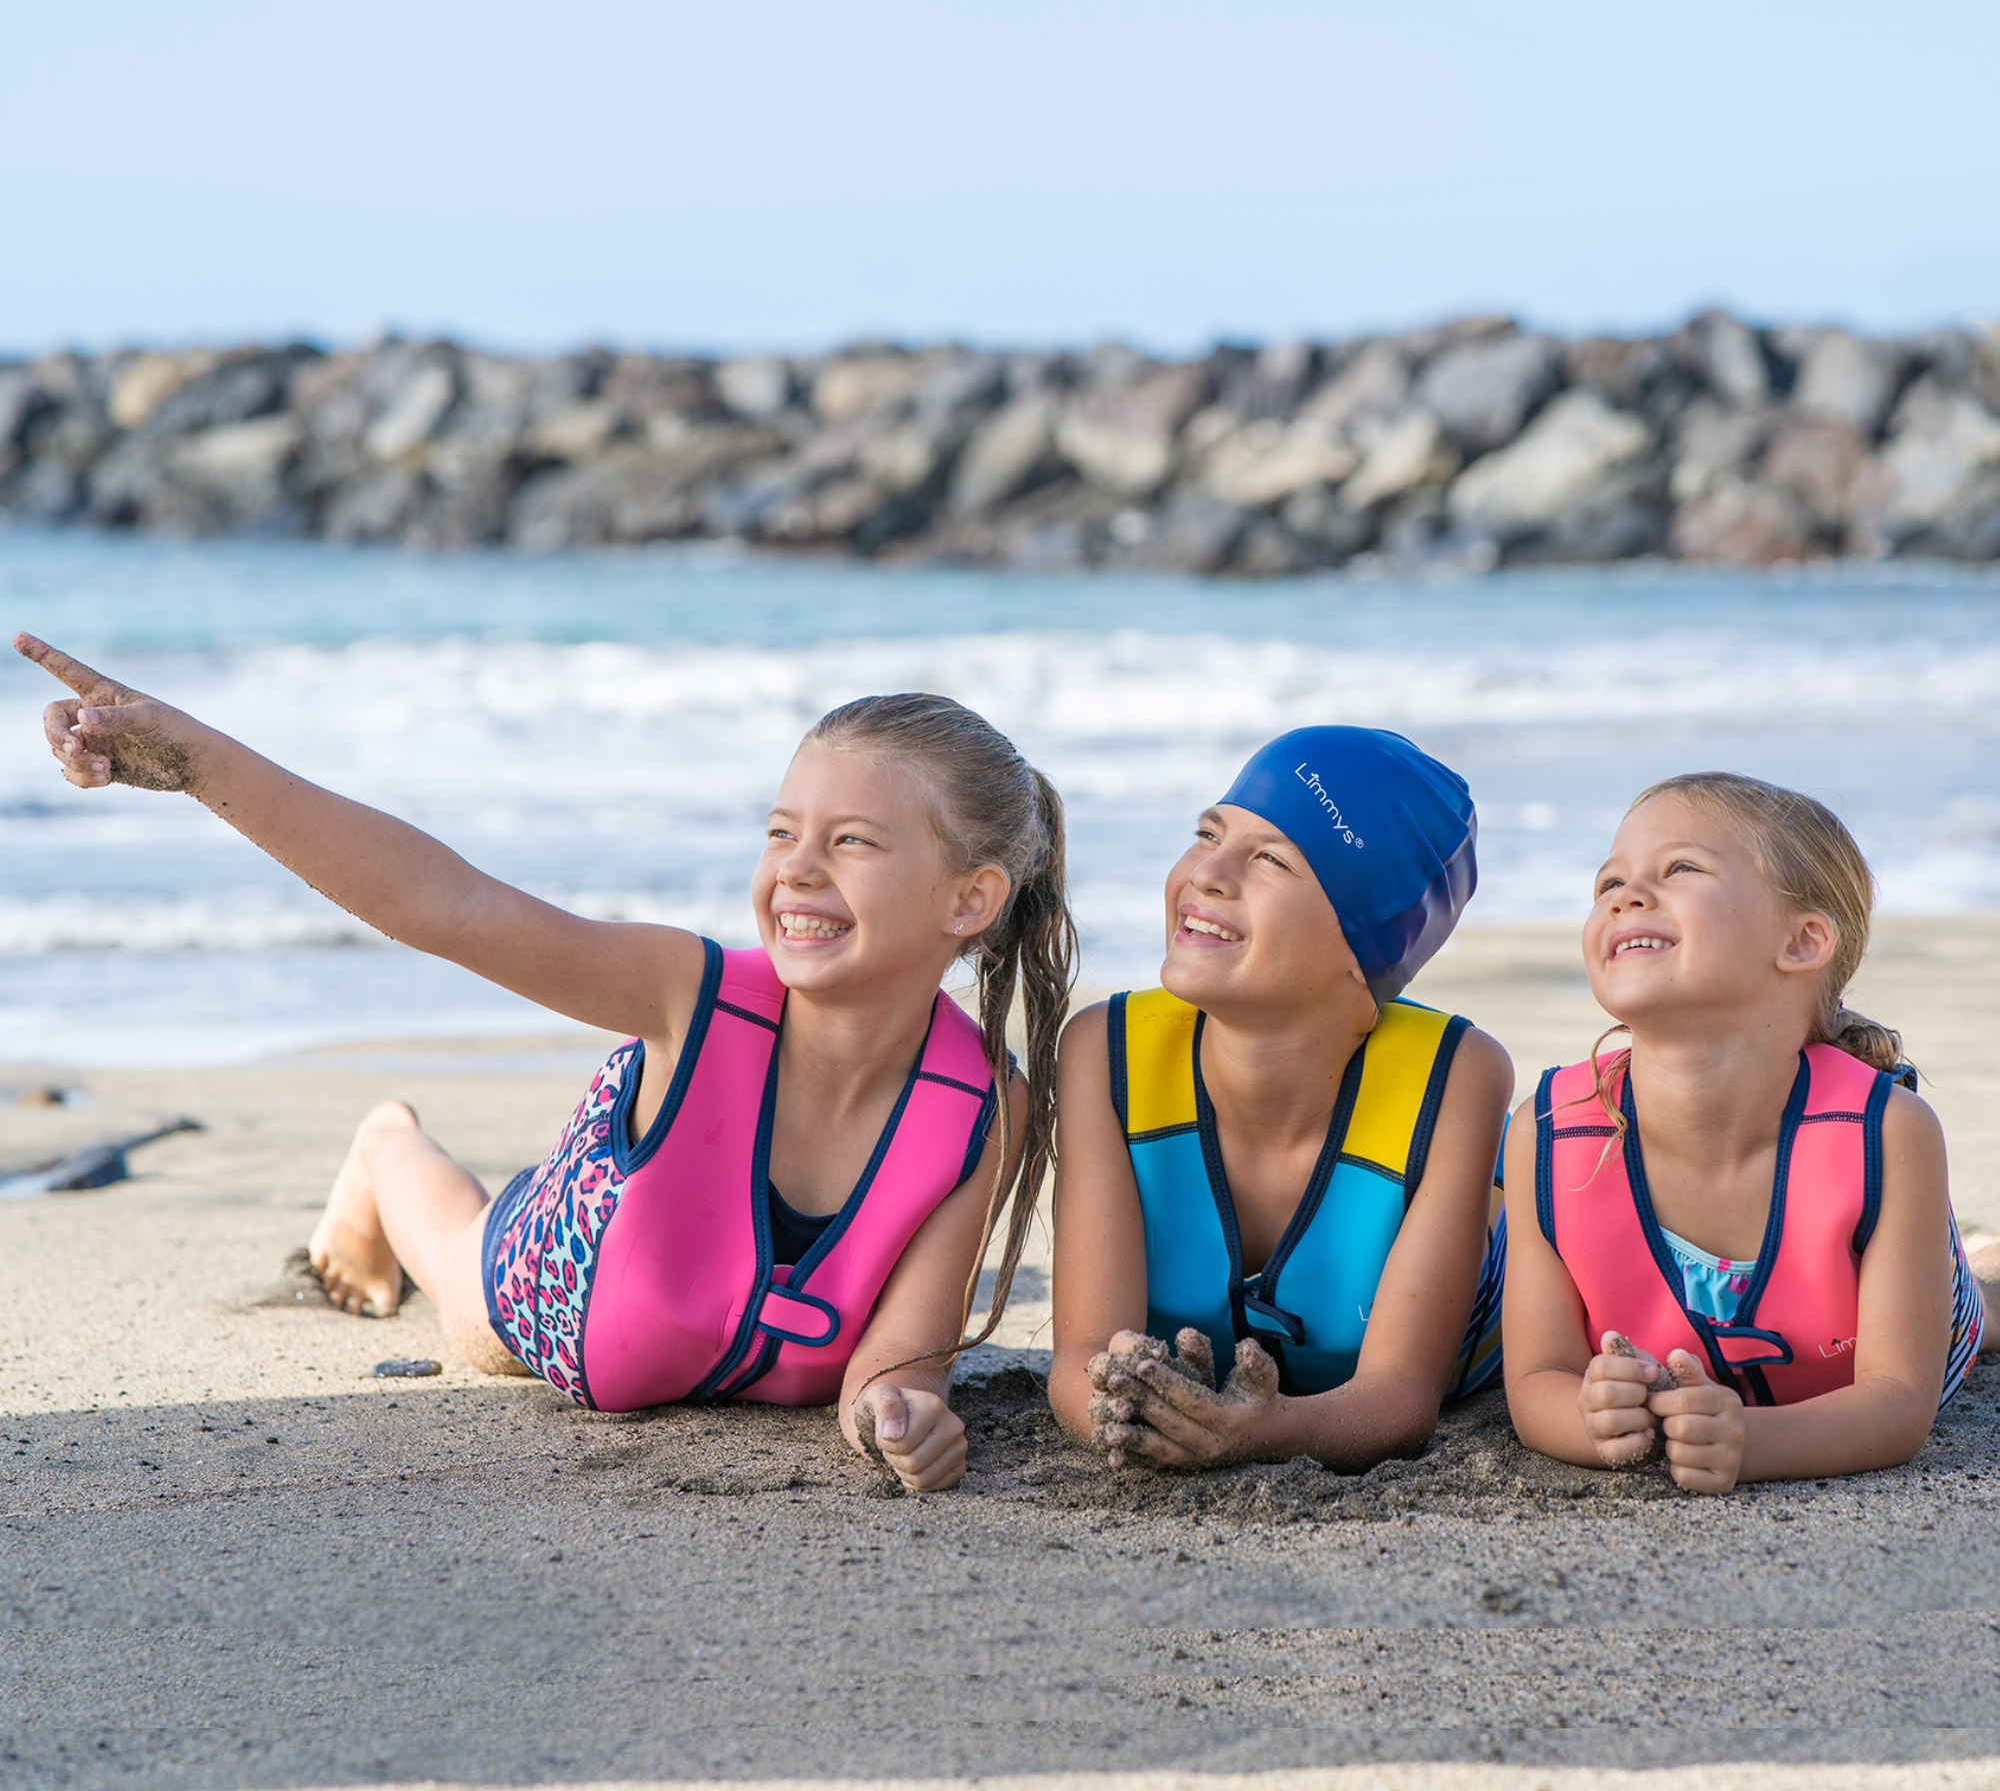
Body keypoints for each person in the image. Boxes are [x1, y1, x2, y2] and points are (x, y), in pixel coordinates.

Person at [17, 633, 1075, 1495]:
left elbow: (901, 1362)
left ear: (969, 898)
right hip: (565, 1277)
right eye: (779, 830)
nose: (794, 866)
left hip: (695, 1309)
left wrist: (900, 1417)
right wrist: (201, 765)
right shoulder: (688, 995)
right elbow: (451, 905)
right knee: (467, 1303)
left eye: (851, 842)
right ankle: (386, 1147)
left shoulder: (983, 1104)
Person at [1505, 771, 1997, 1496]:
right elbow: (1536, 1379)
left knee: (1976, 1314)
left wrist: (1751, 1440)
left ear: (1802, 941)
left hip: (1883, 1317)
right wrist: (1595, 1419)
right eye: (1608, 881)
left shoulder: (1889, 1135)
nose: (1625, 894)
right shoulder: (1545, 1136)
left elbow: (1899, 1405)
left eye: (1679, 869)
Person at [1050, 725, 1512, 1471]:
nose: (1208, 872)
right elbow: (1080, 1352)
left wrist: (1249, 1439)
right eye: (1208, 833)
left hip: (1481, 1315)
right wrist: (1126, 1414)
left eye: (1271, 858)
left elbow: (1399, 1400)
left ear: (1369, 944)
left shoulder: (1456, 1078)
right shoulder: (1105, 1055)